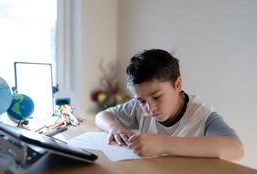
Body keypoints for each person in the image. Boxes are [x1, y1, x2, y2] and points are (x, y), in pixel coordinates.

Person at [95, 49, 244, 161]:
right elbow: (101, 116)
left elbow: (236, 149)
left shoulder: (202, 115)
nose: (149, 108)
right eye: (141, 101)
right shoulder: (138, 106)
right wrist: (114, 127)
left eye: (157, 97)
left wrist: (162, 144)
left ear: (178, 84)